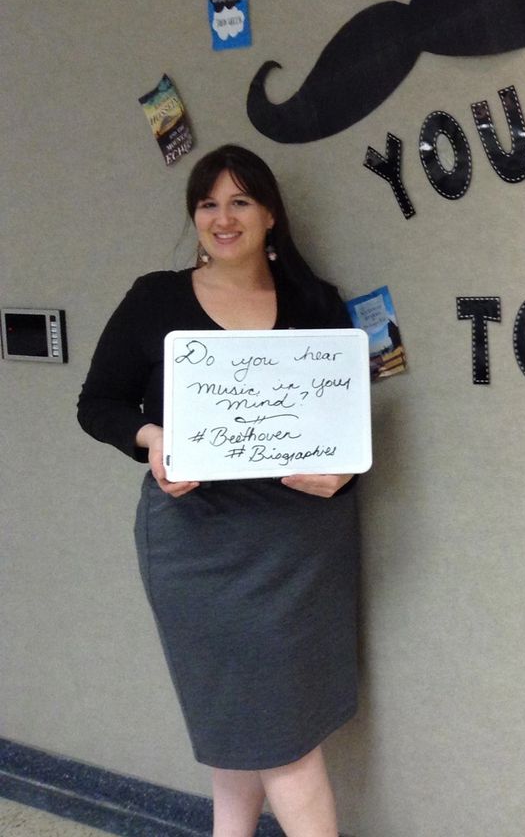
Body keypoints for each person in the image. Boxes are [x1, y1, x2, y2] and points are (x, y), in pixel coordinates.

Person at [77, 144, 362, 837]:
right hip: (195, 546)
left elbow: (345, 421)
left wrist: (346, 468)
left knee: (247, 729)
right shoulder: (155, 298)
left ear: (269, 214)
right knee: (268, 735)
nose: (222, 217)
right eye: (208, 203)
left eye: (239, 201)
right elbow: (98, 404)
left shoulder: (315, 303)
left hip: (300, 547)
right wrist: (152, 440)